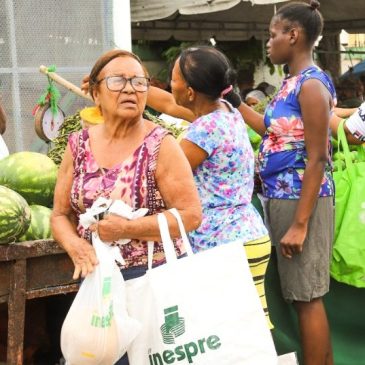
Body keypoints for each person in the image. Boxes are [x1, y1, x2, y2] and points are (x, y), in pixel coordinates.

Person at [52, 49, 202, 365]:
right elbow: (60, 214)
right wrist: (75, 246)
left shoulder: (162, 144)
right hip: (97, 285)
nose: (131, 89)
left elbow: (191, 215)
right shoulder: (78, 145)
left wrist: (127, 228)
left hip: (150, 284)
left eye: (139, 82)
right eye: (119, 80)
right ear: (95, 92)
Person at [235, 1, 335, 364]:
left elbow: (318, 157)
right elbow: (272, 130)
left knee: (307, 299)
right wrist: (234, 102)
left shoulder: (310, 85)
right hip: (284, 199)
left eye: (272, 34)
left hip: (300, 201)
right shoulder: (290, 84)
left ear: (293, 36)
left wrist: (300, 223)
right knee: (302, 296)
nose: (268, 42)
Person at [146, 46, 273, 329]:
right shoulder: (226, 111)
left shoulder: (203, 130)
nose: (171, 83)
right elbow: (167, 103)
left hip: (223, 247)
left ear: (190, 92)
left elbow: (163, 177)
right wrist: (130, 88)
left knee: (228, 338)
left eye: (174, 78)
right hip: (248, 235)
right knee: (250, 337)